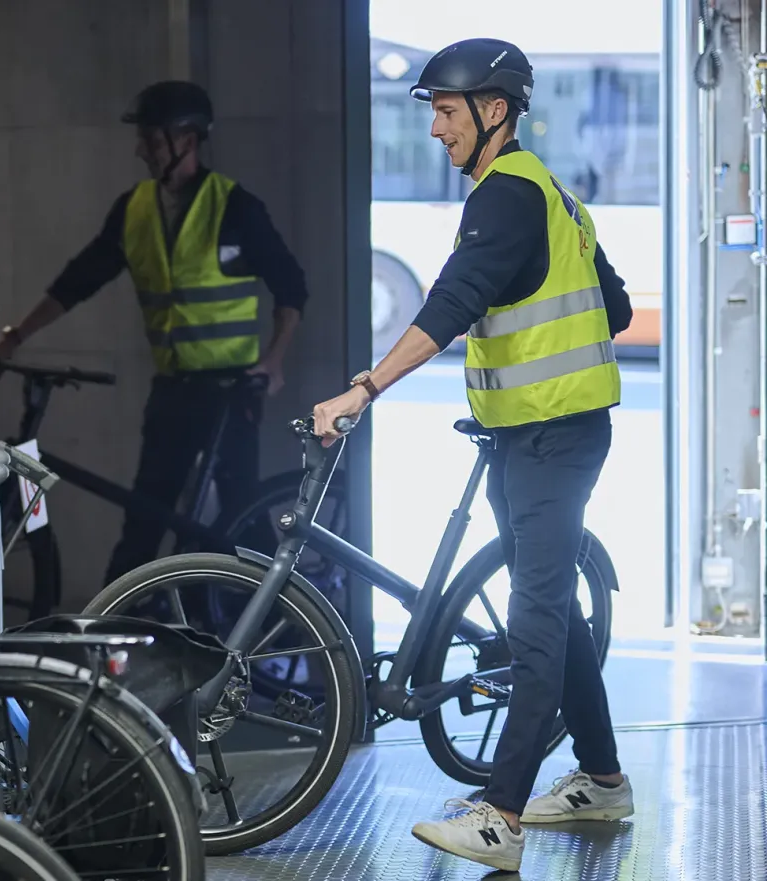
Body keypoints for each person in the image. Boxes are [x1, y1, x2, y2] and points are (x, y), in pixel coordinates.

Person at [311, 38, 635, 873]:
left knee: (533, 619)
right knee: (552, 614)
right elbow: (618, 307)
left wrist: (366, 387)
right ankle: (602, 782)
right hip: (537, 433)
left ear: (495, 111)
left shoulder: (507, 197)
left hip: (551, 439)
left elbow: (452, 301)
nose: (436, 131)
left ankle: (500, 815)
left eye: (447, 113)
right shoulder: (547, 194)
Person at [0, 80, 309, 587]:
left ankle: (283, 621)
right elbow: (79, 279)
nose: (140, 149)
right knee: (146, 513)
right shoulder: (133, 209)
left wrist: (274, 361)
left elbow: (292, 288)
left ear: (188, 138)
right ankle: (113, 631)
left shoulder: (234, 206)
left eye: (151, 139)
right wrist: (14, 337)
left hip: (231, 390)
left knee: (242, 515)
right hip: (174, 388)